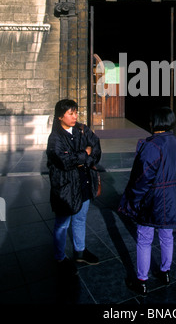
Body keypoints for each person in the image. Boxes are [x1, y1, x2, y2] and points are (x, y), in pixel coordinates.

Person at [118, 106, 176, 295]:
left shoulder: (152, 146)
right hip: (173, 199)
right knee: (167, 236)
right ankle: (165, 272)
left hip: (152, 201)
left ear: (155, 122)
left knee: (144, 238)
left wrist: (132, 199)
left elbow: (142, 179)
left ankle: (142, 280)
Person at [47, 99, 102, 276]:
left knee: (80, 218)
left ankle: (80, 251)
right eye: (70, 113)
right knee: (62, 224)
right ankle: (60, 257)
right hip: (65, 188)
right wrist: (84, 153)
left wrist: (85, 158)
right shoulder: (55, 138)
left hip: (83, 182)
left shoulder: (82, 129)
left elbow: (96, 147)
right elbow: (65, 161)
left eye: (76, 112)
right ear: (60, 116)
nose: (75, 116)